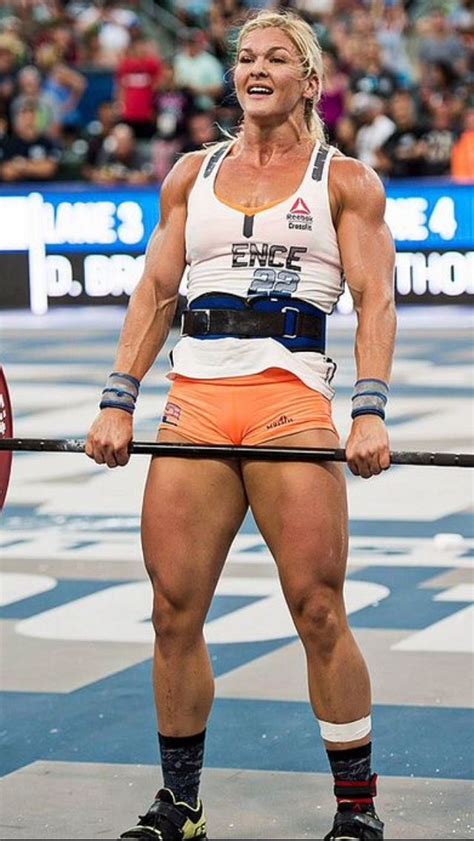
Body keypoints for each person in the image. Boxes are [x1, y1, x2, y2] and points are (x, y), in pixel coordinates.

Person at [86, 10, 396, 841]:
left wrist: (368, 407)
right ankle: (181, 806)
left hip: (290, 405)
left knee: (319, 608)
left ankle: (357, 812)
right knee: (172, 612)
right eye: (245, 58)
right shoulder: (191, 172)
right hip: (194, 402)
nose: (256, 69)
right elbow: (156, 292)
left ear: (309, 77)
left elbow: (376, 299)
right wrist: (121, 395)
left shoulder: (345, 180)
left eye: (276, 58)